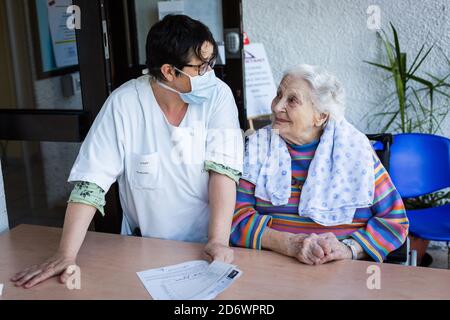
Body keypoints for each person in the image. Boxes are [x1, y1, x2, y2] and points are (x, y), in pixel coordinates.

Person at [12, 15, 243, 289]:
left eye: (210, 62)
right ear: (169, 71)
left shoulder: (219, 95)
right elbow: (91, 182)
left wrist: (217, 240)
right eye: (200, 66)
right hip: (142, 246)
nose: (209, 72)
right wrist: (66, 254)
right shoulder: (124, 103)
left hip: (203, 247)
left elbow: (223, 172)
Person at [230, 64, 409, 265]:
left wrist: (349, 249)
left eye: (292, 100)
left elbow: (394, 221)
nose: (277, 106)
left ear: (321, 116)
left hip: (343, 272)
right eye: (278, 95)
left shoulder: (356, 150)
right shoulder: (258, 147)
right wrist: (289, 244)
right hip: (272, 266)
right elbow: (234, 217)